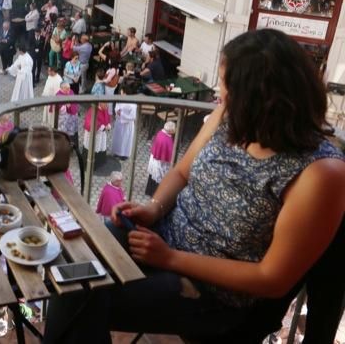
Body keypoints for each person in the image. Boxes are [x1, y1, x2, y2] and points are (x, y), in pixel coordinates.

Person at [46, 28, 345, 343]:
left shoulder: (319, 172)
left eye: (226, 86)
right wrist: (153, 208)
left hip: (213, 293)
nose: (220, 93)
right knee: (71, 263)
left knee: (80, 297)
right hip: (162, 239)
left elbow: (272, 278)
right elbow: (182, 173)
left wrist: (170, 259)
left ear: (262, 100)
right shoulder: (233, 116)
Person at [145, 121, 176, 196]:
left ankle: (149, 191)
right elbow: (167, 153)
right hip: (161, 162)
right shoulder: (167, 140)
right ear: (170, 130)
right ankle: (155, 194)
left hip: (155, 158)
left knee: (152, 176)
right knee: (158, 178)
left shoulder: (160, 133)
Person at [110, 82, 138, 159]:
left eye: (122, 91)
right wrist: (117, 111)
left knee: (125, 139)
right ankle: (116, 152)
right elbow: (116, 107)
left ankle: (124, 154)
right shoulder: (120, 98)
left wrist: (121, 114)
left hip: (127, 124)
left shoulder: (133, 104)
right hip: (119, 122)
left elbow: (133, 116)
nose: (121, 93)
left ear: (125, 92)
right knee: (118, 137)